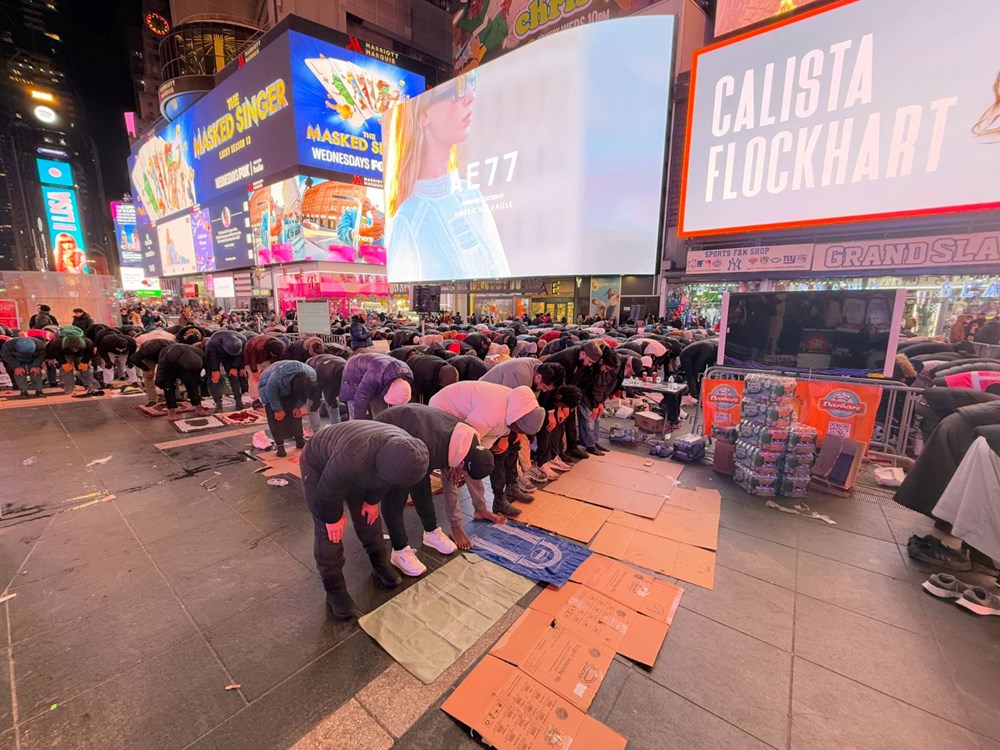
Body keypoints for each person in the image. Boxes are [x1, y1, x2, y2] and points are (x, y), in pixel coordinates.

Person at [384, 70, 510, 280]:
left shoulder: (473, 196)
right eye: (456, 89)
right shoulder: (407, 219)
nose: (470, 96)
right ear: (424, 115)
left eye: (470, 83)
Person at [301, 421, 429, 619]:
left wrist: (372, 500)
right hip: (319, 464)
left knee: (368, 516)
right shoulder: (352, 456)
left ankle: (380, 564)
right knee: (329, 532)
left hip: (359, 462)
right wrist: (332, 518)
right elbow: (328, 490)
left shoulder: (406, 449)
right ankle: (334, 589)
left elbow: (386, 479)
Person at [376, 403, 495, 576]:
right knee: (396, 495)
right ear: (462, 461)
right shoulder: (433, 447)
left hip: (417, 433)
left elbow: (444, 465)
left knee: (421, 482)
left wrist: (454, 465)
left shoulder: (469, 439)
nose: (461, 475)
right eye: (464, 472)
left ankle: (430, 532)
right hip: (389, 432)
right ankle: (399, 550)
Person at [429, 381, 544, 548]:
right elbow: (465, 441)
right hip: (443, 410)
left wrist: (498, 442)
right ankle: (455, 525)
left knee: (476, 466)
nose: (519, 433)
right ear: (516, 419)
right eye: (519, 430)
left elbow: (479, 449)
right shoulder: (493, 410)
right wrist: (457, 463)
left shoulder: (518, 407)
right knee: (451, 473)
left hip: (470, 421)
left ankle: (480, 509)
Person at [542, 341, 605, 460]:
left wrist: (570, 405)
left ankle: (571, 447)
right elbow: (557, 384)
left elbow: (576, 382)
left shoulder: (580, 359)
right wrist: (559, 408)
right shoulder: (566, 360)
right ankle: (555, 453)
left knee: (570, 417)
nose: (589, 365)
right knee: (557, 421)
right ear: (583, 354)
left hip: (564, 391)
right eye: (589, 361)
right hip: (549, 389)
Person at [258, 359, 317, 457]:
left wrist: (297, 406)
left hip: (290, 386)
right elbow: (270, 392)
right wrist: (277, 409)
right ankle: (280, 447)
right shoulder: (277, 377)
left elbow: (304, 393)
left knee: (295, 415)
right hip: (267, 385)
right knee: (277, 418)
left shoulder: (311, 375)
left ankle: (299, 441)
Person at [339, 351, 414, 419]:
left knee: (381, 411)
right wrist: (359, 423)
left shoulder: (407, 374)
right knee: (355, 409)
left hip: (377, 369)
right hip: (353, 370)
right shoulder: (375, 376)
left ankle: (381, 424)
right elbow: (361, 398)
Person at [154, 342, 211, 420]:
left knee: (192, 384)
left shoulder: (200, 354)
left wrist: (198, 380)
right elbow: (162, 372)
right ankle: (171, 411)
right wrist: (161, 382)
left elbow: (206, 371)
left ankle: (199, 407)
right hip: (170, 364)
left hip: (187, 363)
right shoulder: (169, 357)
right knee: (168, 387)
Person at [204, 330, 247, 411]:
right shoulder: (212, 343)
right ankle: (218, 403)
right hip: (215, 355)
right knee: (214, 378)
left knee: (233, 376)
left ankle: (239, 401)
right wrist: (214, 370)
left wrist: (235, 367)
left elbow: (240, 355)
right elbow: (211, 357)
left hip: (232, 357)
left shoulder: (243, 340)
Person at [306, 354, 347, 429]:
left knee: (332, 402)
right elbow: (317, 386)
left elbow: (338, 387)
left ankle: (337, 428)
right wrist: (316, 400)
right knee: (312, 403)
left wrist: (333, 397)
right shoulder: (322, 371)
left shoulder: (347, 370)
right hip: (314, 367)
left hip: (331, 370)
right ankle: (316, 429)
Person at [129, 337, 174, 406]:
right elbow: (133, 359)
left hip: (167, 357)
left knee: (171, 375)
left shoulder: (172, 348)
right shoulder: (145, 350)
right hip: (149, 359)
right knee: (148, 377)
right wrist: (147, 369)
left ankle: (176, 396)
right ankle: (152, 400)